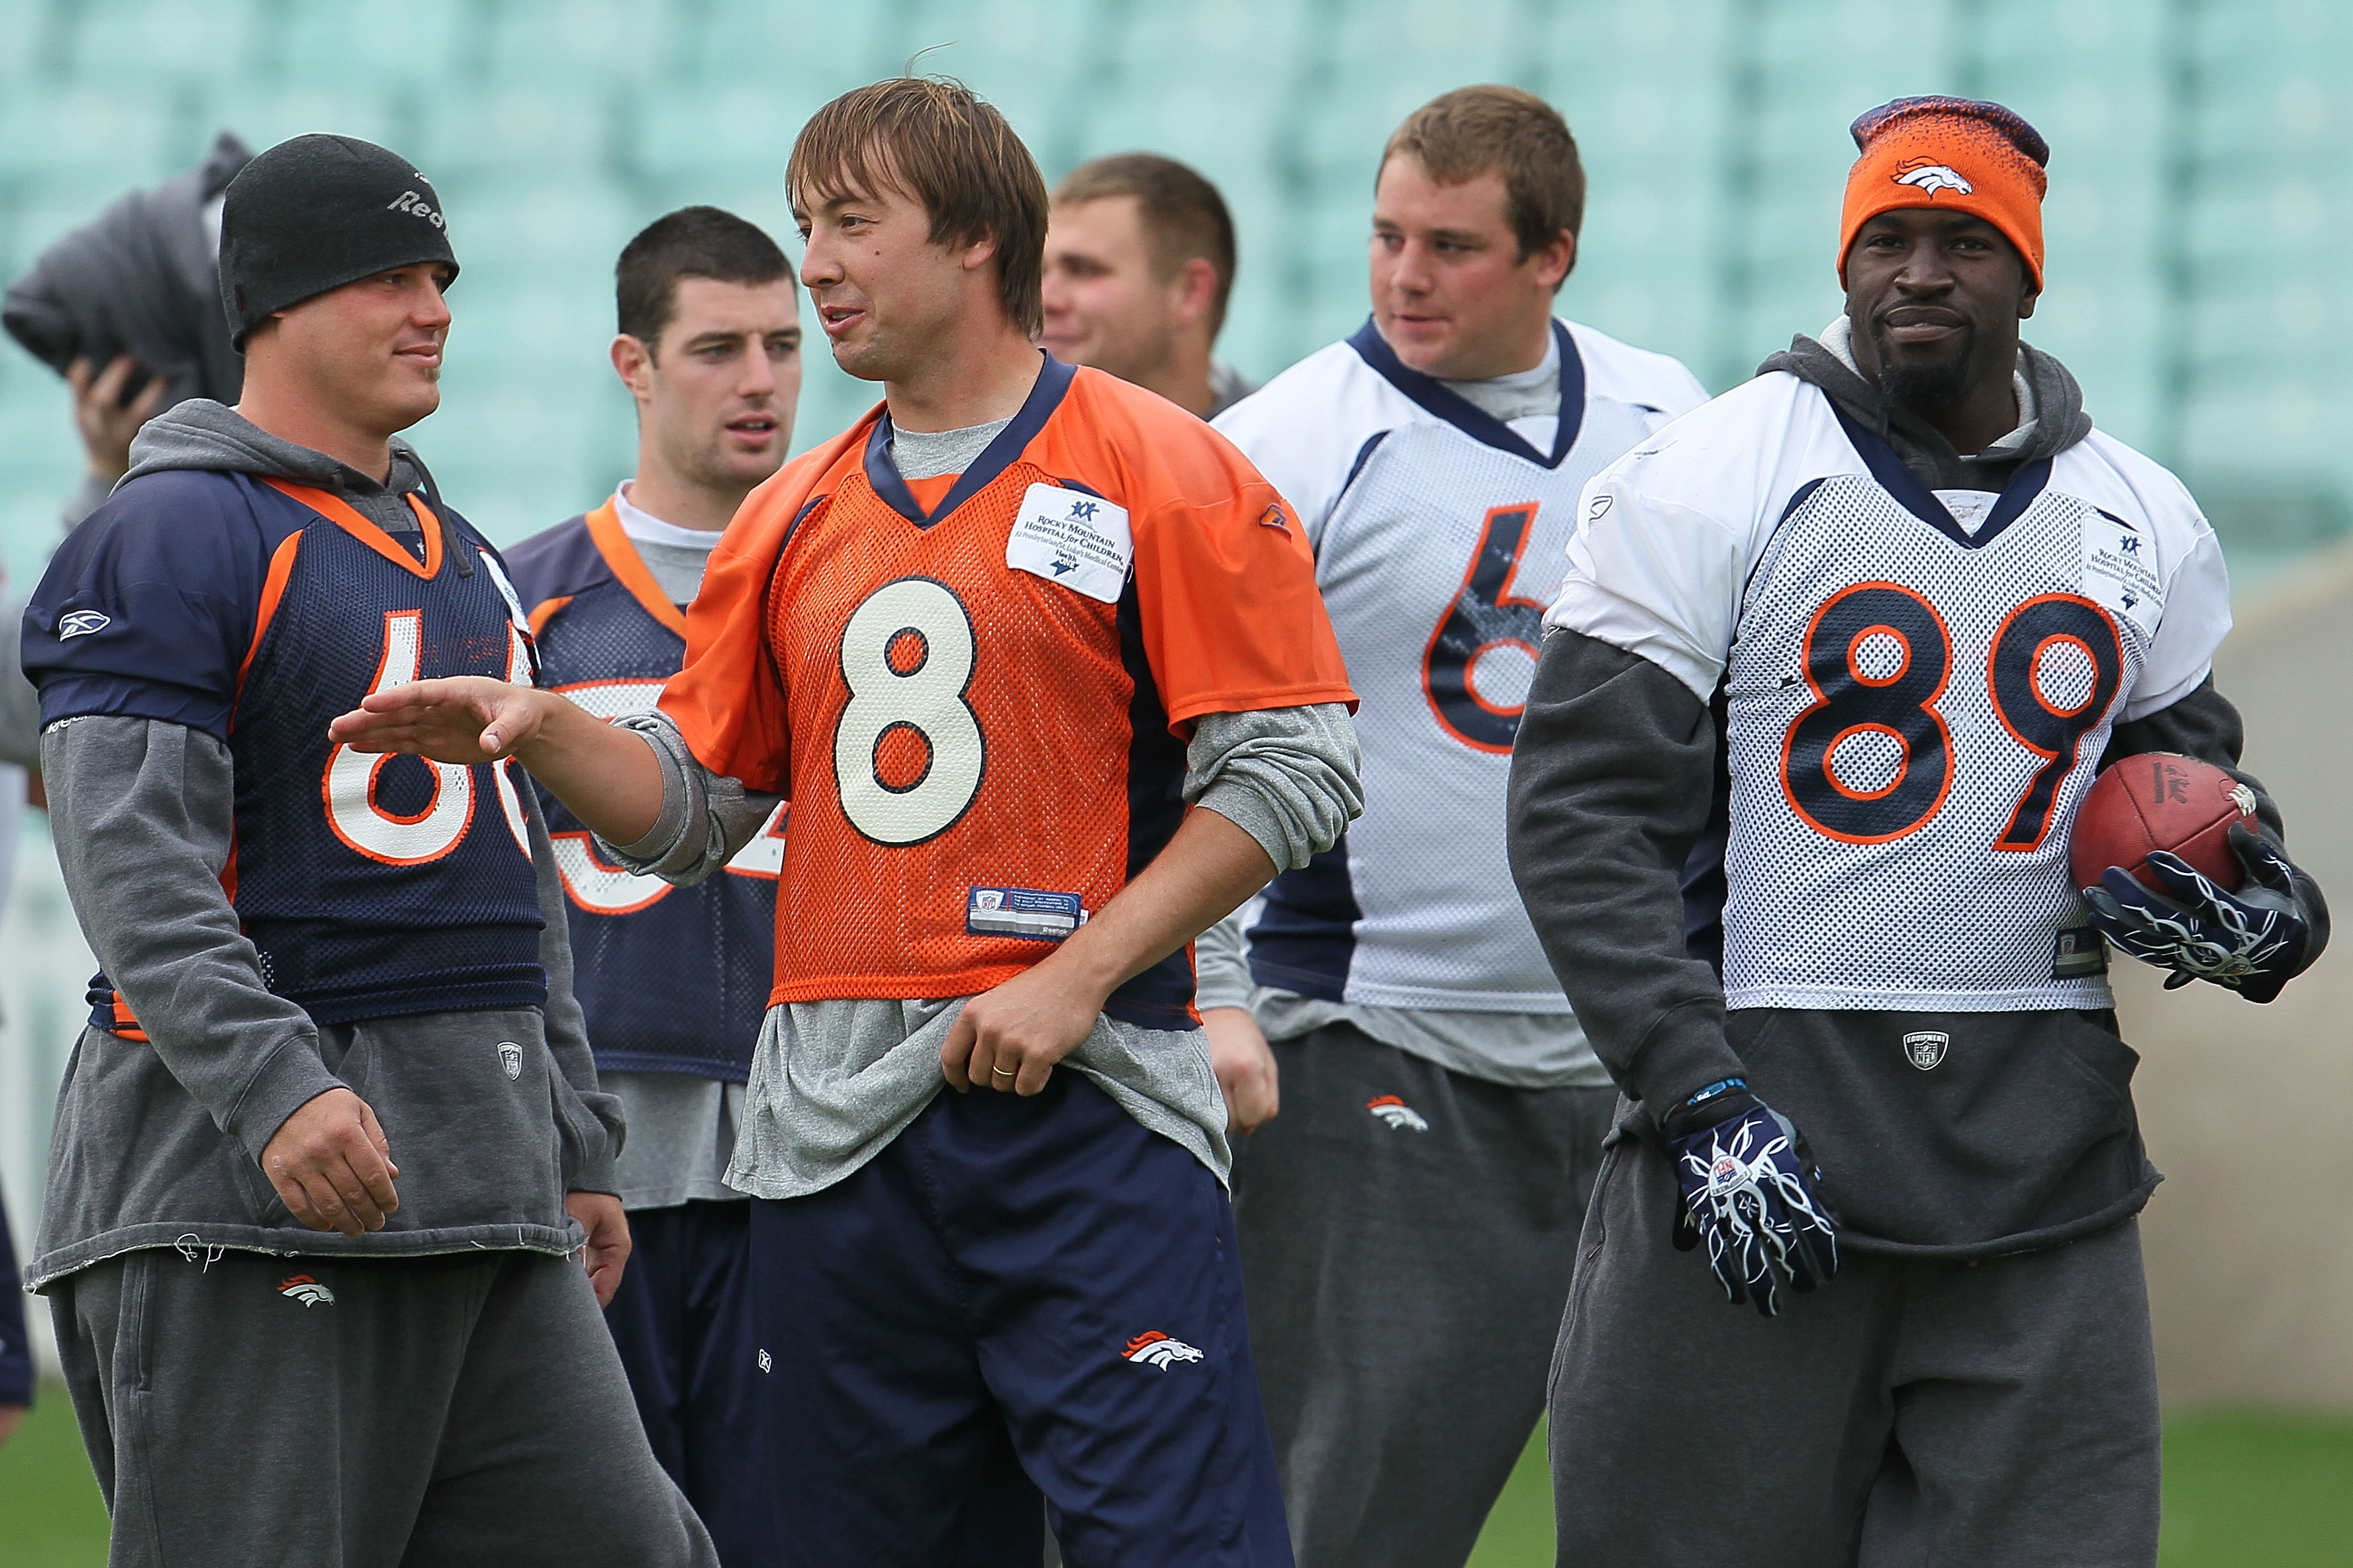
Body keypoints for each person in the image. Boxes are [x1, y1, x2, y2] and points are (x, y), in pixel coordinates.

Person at [328, 76, 1363, 1567]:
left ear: (975, 245)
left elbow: (1294, 766)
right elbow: (693, 811)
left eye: (850, 225)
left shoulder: (1167, 465)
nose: (812, 265)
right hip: (831, 1144)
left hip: (1094, 1111)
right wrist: (546, 725)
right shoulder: (789, 511)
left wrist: (1080, 970)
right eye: (807, 224)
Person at [1508, 97, 2327, 1566]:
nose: (1921, 273)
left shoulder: (2143, 516)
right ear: (1843, 266)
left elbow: (2190, 801)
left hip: (2039, 1161)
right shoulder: (1709, 476)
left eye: (1964, 241)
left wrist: (2260, 910)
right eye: (1887, 239)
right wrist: (1698, 1096)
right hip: (1755, 1140)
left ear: (2029, 273)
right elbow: (1579, 821)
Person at [21, 134, 714, 1567]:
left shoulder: (458, 550)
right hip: (248, 1188)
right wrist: (277, 1087)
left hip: (485, 1192)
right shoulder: (170, 532)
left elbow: (513, 872)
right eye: (388, 275)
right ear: (274, 304)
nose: (435, 306)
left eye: (443, 276)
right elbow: (130, 864)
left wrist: (570, 1140)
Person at [1200, 85, 1709, 1567]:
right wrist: (1215, 988)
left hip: (1631, 1046)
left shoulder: (1667, 415)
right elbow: (1201, 742)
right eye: (1385, 236)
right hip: (1377, 1033)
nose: (1405, 275)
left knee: (1687, 1498)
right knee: (1360, 1502)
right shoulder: (1287, 441)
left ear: (1552, 257)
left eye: (1451, 246)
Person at [502, 205, 800, 1567]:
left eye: (785, 347)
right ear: (634, 363)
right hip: (612, 1145)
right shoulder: (523, 603)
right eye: (719, 347)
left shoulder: (867, 577)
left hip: (810, 1142)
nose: (760, 380)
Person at [1042, 153, 1255, 419]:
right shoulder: (1003, 450)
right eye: (1037, 272)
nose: (1044, 300)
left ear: (1190, 292)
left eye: (1083, 270)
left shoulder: (1283, 452)